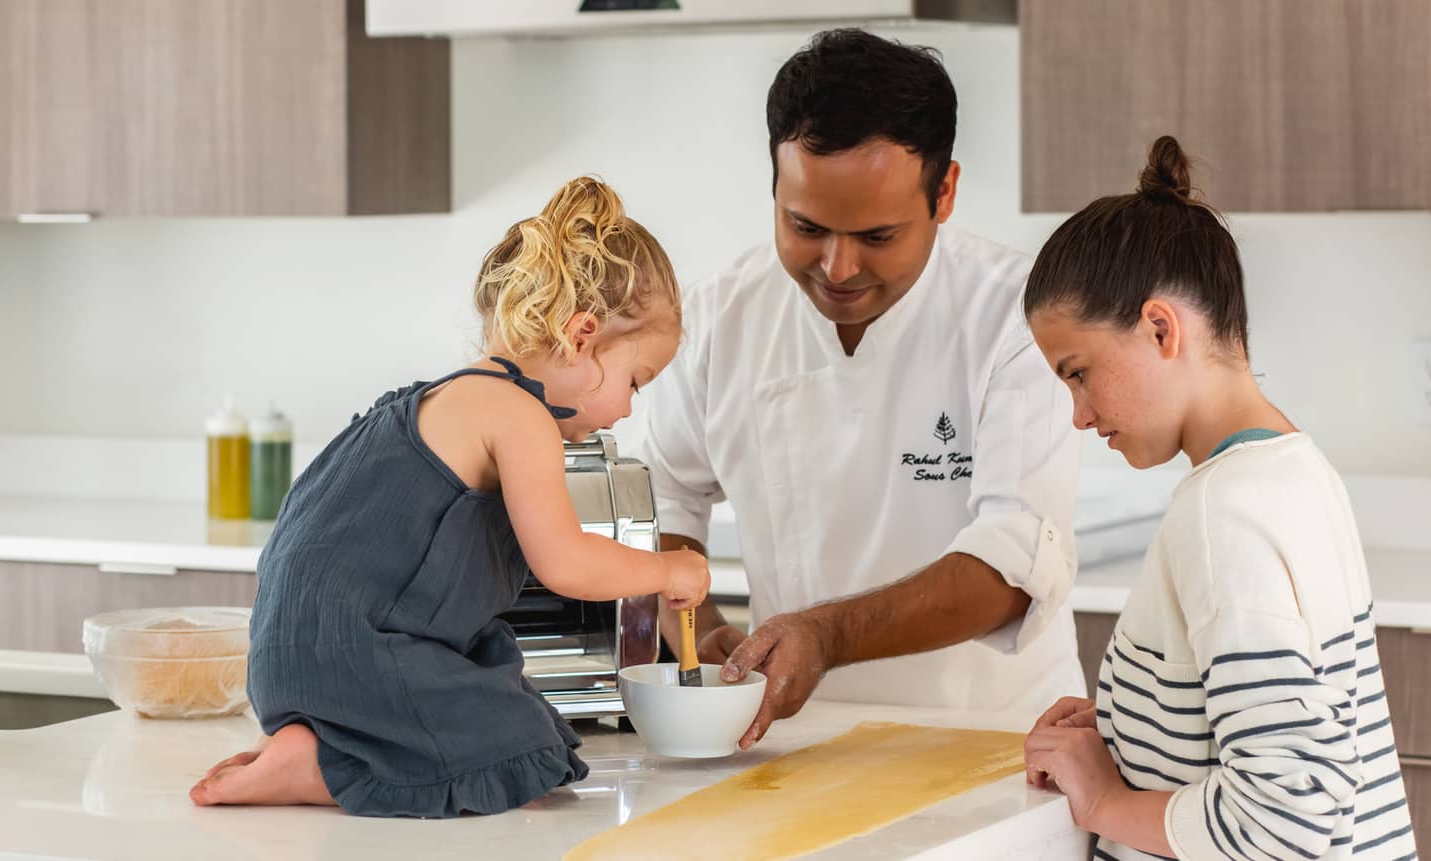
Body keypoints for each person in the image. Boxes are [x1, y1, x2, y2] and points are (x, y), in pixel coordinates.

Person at [188, 176, 711, 817]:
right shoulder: (519, 416)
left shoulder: (438, 396)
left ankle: (318, 742)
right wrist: (666, 570)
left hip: (284, 660)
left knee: (500, 672)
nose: (629, 407)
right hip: (362, 658)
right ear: (581, 335)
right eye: (636, 380)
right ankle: (319, 769)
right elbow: (566, 563)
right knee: (524, 745)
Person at [640, 27, 1081, 750]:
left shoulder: (1018, 316)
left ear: (945, 192)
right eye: (805, 226)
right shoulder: (723, 315)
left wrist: (828, 632)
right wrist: (693, 625)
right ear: (774, 185)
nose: (837, 267)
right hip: (799, 741)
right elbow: (660, 501)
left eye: (877, 236)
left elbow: (1009, 566)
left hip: (996, 741)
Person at [1021, 136, 1415, 859]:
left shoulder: (1220, 514)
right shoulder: (1297, 470)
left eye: (1078, 373)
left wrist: (1106, 799)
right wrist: (1123, 729)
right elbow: (1291, 731)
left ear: (1160, 328)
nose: (1078, 414)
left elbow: (1280, 821)